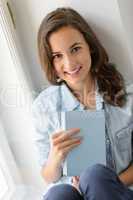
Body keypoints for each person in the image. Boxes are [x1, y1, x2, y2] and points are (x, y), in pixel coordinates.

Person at [32, 7, 133, 200]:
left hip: (115, 191)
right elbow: (48, 176)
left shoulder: (128, 96)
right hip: (71, 193)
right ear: (50, 61)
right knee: (57, 194)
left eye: (75, 49)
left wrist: (104, 183)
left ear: (90, 46)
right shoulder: (44, 106)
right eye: (58, 56)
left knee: (95, 177)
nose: (69, 64)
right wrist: (56, 157)